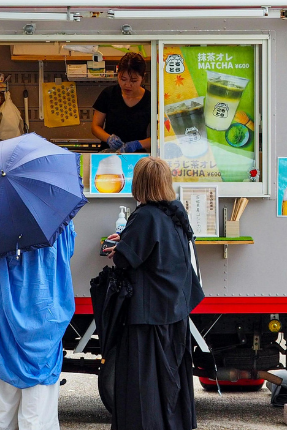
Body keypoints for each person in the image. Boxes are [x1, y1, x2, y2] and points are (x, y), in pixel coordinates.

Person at [103, 157, 204, 430]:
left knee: (143, 391)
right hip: (175, 312)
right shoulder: (175, 213)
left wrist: (119, 247)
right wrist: (126, 242)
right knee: (170, 387)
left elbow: (125, 260)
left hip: (148, 318)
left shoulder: (145, 215)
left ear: (140, 184)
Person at [0, 221, 76, 430]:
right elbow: (68, 253)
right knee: (38, 418)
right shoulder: (60, 218)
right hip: (46, 317)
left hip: (4, 324)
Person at [91, 52, 151, 153]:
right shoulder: (108, 94)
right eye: (123, 79)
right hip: (108, 153)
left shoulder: (150, 100)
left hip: (137, 155)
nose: (127, 84)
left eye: (134, 80)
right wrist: (108, 138)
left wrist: (138, 144)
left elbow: (160, 136)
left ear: (142, 78)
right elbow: (95, 126)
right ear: (118, 74)